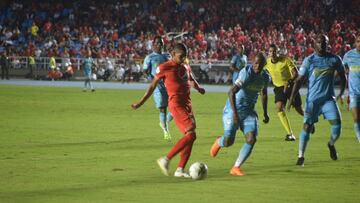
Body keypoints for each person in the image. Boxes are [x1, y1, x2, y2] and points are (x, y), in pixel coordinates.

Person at [131, 43, 205, 178]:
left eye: (185, 56)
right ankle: (166, 159)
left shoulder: (185, 65)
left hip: (187, 104)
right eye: (181, 56)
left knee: (190, 136)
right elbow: (152, 86)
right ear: (172, 54)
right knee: (191, 135)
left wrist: (199, 88)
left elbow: (191, 79)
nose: (183, 59)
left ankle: (180, 170)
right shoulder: (164, 67)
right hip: (176, 104)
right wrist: (141, 102)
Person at [287, 34, 346, 166]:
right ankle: (301, 156)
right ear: (314, 44)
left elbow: (343, 77)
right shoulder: (309, 60)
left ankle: (331, 144)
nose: (322, 45)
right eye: (319, 42)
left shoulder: (335, 59)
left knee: (337, 124)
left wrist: (341, 93)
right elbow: (299, 80)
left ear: (328, 44)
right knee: (307, 126)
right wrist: (291, 98)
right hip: (312, 101)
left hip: (328, 100)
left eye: (324, 42)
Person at [210, 52, 270, 176]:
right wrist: (236, 115)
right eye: (256, 63)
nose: (257, 66)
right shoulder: (246, 73)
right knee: (228, 142)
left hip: (248, 112)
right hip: (233, 110)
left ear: (265, 64)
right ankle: (219, 142)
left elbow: (264, 94)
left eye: (261, 64)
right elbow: (231, 92)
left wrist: (265, 113)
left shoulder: (265, 77)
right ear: (253, 61)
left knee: (251, 138)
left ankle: (236, 167)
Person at [265, 44, 304, 141]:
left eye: (274, 51)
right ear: (268, 53)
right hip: (278, 87)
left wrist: (290, 81)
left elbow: (296, 73)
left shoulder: (286, 60)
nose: (272, 53)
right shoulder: (267, 63)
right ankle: (290, 134)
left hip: (290, 86)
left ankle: (309, 122)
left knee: (299, 110)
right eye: (270, 51)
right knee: (279, 107)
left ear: (278, 52)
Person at [142, 36, 173, 140]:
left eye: (161, 43)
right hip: (158, 86)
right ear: (153, 44)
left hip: (170, 84)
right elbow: (145, 71)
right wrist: (151, 79)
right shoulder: (149, 57)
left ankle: (164, 122)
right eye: (158, 43)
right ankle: (165, 130)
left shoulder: (168, 56)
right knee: (162, 108)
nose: (160, 45)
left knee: (175, 106)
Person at [343, 35, 360, 142]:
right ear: (355, 43)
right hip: (354, 93)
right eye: (358, 41)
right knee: (356, 118)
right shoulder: (348, 55)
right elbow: (343, 71)